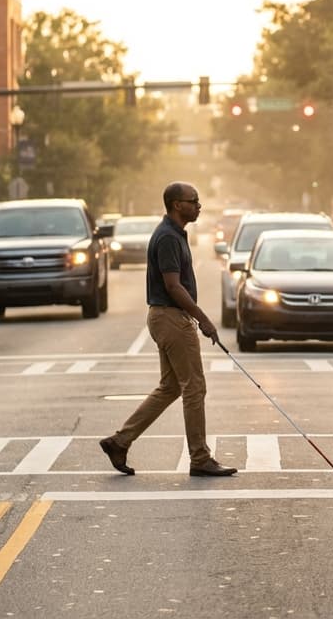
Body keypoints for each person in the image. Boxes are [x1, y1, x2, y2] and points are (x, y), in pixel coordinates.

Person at [99, 182, 236, 477]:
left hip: (166, 317)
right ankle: (200, 458)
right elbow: (173, 286)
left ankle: (120, 441)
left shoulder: (174, 234)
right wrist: (203, 318)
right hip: (171, 318)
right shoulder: (168, 238)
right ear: (177, 205)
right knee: (194, 387)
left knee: (171, 387)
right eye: (193, 201)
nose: (198, 206)